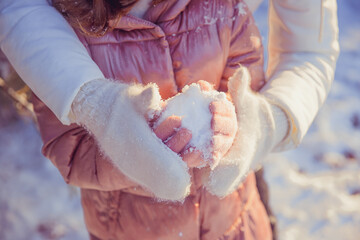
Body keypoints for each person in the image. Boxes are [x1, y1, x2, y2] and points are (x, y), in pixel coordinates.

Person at [0, 0, 339, 239]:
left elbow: (270, 72)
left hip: (236, 223)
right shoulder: (71, 33)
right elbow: (68, 148)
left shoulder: (224, 12)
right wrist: (124, 150)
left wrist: (247, 124)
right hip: (129, 228)